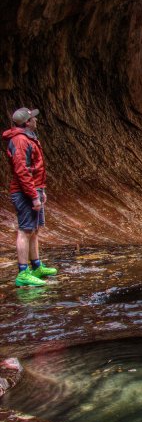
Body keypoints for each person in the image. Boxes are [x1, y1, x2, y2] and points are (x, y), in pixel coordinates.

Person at [3, 107, 57, 287]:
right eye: (33, 118)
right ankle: (23, 273)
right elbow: (22, 171)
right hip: (25, 191)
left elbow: (34, 169)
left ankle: (36, 266)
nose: (36, 120)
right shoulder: (19, 140)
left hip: (35, 189)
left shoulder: (28, 138)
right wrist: (34, 195)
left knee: (34, 230)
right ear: (27, 122)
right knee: (25, 230)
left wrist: (41, 190)